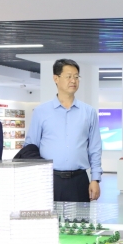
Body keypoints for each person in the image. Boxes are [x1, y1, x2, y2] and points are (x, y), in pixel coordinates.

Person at [25, 59, 102, 202]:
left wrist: (95, 179)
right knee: (49, 217)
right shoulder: (41, 112)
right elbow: (30, 147)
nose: (73, 80)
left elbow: (95, 148)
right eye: (69, 76)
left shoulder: (89, 112)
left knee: (80, 217)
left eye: (76, 76)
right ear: (56, 78)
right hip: (48, 180)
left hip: (79, 180)